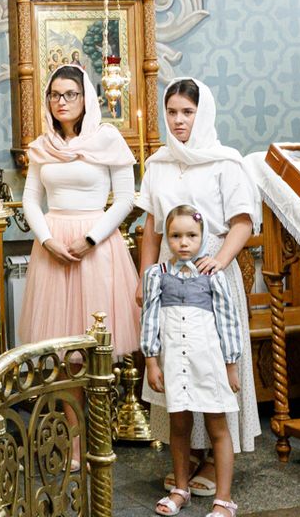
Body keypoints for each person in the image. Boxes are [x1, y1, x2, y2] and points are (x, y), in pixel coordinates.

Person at [137, 78, 261, 498]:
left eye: (187, 112)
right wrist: (145, 277)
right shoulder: (158, 164)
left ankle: (213, 457)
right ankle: (187, 455)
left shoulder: (226, 162)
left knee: (211, 366)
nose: (179, 120)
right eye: (171, 112)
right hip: (169, 277)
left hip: (212, 275)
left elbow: (242, 221)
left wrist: (219, 261)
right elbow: (152, 227)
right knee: (177, 360)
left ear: (202, 113)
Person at [17, 65, 140, 461]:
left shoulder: (108, 139)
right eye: (55, 94)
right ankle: (73, 444)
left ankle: (99, 440)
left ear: (86, 98)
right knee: (65, 359)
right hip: (53, 249)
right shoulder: (43, 145)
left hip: (97, 248)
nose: (61, 101)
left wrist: (90, 239)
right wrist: (47, 239)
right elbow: (30, 199)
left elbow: (126, 198)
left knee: (94, 351)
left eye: (70, 94)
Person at [142, 206, 242, 517]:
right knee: (179, 425)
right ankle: (181, 488)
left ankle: (223, 499)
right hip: (175, 363)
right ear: (167, 238)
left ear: (203, 237)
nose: (183, 242)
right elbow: (149, 320)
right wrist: (152, 362)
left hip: (208, 363)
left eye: (191, 235)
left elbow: (228, 323)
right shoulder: (156, 275)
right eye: (175, 236)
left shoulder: (213, 276)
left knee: (217, 426)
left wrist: (231, 366)